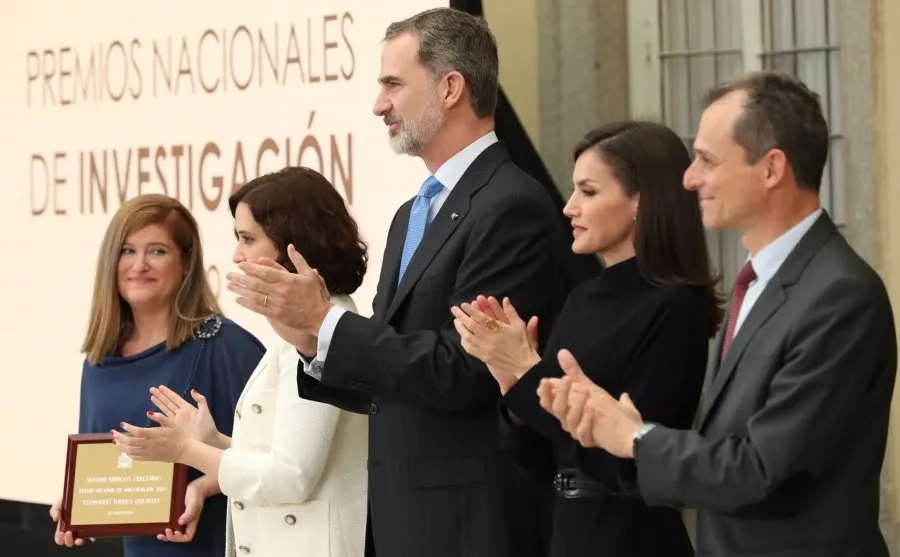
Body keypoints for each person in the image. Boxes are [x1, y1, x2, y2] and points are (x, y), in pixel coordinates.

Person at [224, 7, 568, 557]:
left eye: (393, 84)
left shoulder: (510, 206)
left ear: (450, 87)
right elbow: (389, 376)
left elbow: (466, 372)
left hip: (466, 524)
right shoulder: (413, 213)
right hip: (400, 519)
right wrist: (311, 341)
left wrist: (327, 323)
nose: (378, 104)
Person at [539, 71, 898, 557]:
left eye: (707, 160)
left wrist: (634, 437)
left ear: (771, 169)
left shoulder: (839, 296)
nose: (690, 179)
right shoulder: (758, 281)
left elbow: (758, 469)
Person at [451, 121, 722, 556]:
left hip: (632, 539)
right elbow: (538, 456)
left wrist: (527, 369)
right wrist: (510, 382)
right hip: (567, 531)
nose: (569, 208)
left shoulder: (675, 309)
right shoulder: (583, 297)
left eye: (589, 192)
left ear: (641, 200)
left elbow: (629, 462)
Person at [111, 168, 370, 557]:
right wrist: (212, 440)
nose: (237, 255)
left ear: (293, 244)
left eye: (248, 239)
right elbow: (280, 456)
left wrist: (186, 450)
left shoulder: (320, 330)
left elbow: (291, 477)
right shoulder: (301, 329)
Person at [50, 194, 264, 556]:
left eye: (158, 251)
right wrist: (78, 503)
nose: (139, 265)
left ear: (186, 261)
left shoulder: (227, 347)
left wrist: (203, 487)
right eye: (127, 251)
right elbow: (105, 464)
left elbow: (274, 461)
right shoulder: (99, 359)